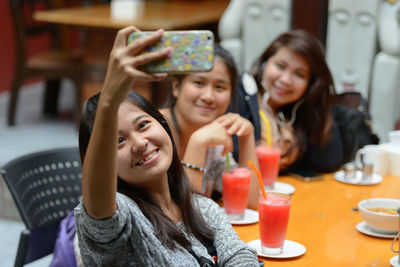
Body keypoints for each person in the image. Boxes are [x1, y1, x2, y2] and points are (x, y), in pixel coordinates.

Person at [72, 26, 258, 266]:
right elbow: (98, 209)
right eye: (118, 141)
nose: (139, 143)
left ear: (162, 124)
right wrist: (109, 99)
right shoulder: (123, 219)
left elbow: (238, 256)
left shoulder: (201, 207)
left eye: (143, 125)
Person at [160, 44, 260, 209]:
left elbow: (250, 203)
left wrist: (247, 136)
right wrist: (198, 143)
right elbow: (183, 216)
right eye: (199, 83)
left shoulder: (214, 137)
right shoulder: (152, 134)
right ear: (176, 87)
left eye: (220, 87)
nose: (208, 97)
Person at [236, 29, 344, 173]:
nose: (286, 80)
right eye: (280, 66)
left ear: (310, 84)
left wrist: (319, 97)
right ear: (264, 63)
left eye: (299, 74)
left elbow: (328, 161)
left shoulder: (298, 111)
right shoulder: (240, 96)